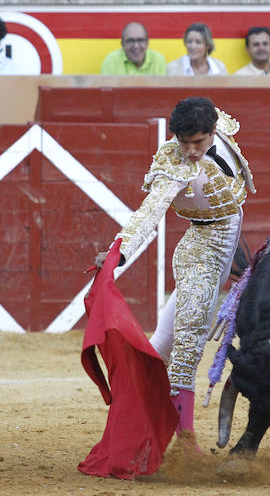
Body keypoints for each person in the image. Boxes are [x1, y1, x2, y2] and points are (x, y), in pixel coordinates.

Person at [93, 96, 255, 452]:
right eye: (184, 143)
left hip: (227, 248)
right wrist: (118, 254)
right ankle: (184, 438)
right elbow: (148, 213)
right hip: (201, 254)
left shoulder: (223, 127)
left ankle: (132, 416)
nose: (191, 151)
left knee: (160, 347)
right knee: (187, 349)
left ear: (212, 131)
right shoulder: (173, 163)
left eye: (198, 142)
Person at [100, 22, 167, 75]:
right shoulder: (112, 61)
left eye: (140, 40)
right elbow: (107, 91)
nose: (136, 46)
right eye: (130, 41)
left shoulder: (158, 60)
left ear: (147, 43)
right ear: (122, 44)